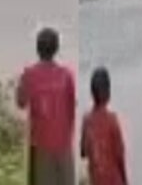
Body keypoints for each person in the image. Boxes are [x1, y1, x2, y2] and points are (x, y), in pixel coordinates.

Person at [17, 27, 76, 185]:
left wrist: (23, 82)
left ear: (37, 49)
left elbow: (20, 102)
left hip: (41, 146)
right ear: (56, 49)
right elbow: (71, 109)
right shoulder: (66, 75)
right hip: (64, 145)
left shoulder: (29, 74)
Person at [81, 67, 128, 185]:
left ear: (92, 94)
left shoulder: (87, 120)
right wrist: (126, 181)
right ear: (108, 92)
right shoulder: (112, 120)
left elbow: (83, 152)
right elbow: (120, 158)